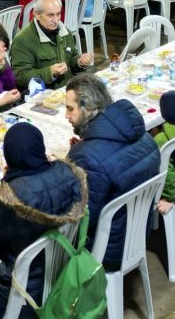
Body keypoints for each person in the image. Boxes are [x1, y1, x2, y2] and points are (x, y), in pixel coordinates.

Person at [0, 123, 88, 318]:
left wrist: (7, 182)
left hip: (19, 290)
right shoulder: (69, 174)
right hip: (61, 271)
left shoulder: (12, 198)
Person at [64, 73, 159, 270]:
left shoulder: (88, 157)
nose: (66, 116)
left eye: (70, 109)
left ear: (88, 108)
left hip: (106, 248)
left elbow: (79, 217)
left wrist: (66, 166)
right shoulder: (145, 137)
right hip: (138, 233)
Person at [10, 0, 93, 89]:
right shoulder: (23, 40)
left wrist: (80, 61)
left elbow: (71, 57)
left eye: (58, 14)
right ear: (37, 14)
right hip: (43, 94)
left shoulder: (65, 32)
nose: (56, 20)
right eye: (50, 15)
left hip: (67, 88)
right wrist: (50, 72)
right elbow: (20, 76)